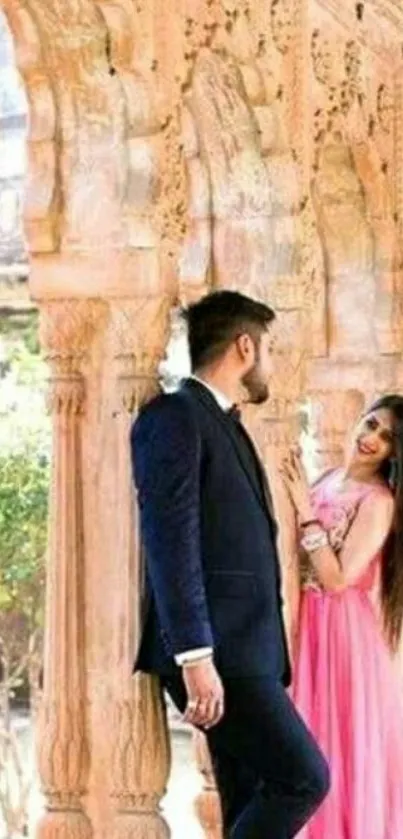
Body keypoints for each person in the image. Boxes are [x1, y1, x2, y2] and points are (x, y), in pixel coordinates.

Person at [131, 290, 329, 839]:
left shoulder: (227, 422)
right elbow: (169, 540)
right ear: (245, 345)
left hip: (250, 651)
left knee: (248, 797)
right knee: (304, 779)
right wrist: (194, 655)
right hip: (217, 653)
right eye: (269, 348)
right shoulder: (175, 416)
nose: (271, 361)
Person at [280, 394, 403, 839]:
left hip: (343, 636)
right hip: (308, 624)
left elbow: (337, 579)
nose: (372, 438)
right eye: (371, 424)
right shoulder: (329, 478)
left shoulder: (379, 501)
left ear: (394, 453)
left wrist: (305, 510)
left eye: (387, 438)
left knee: (336, 745)